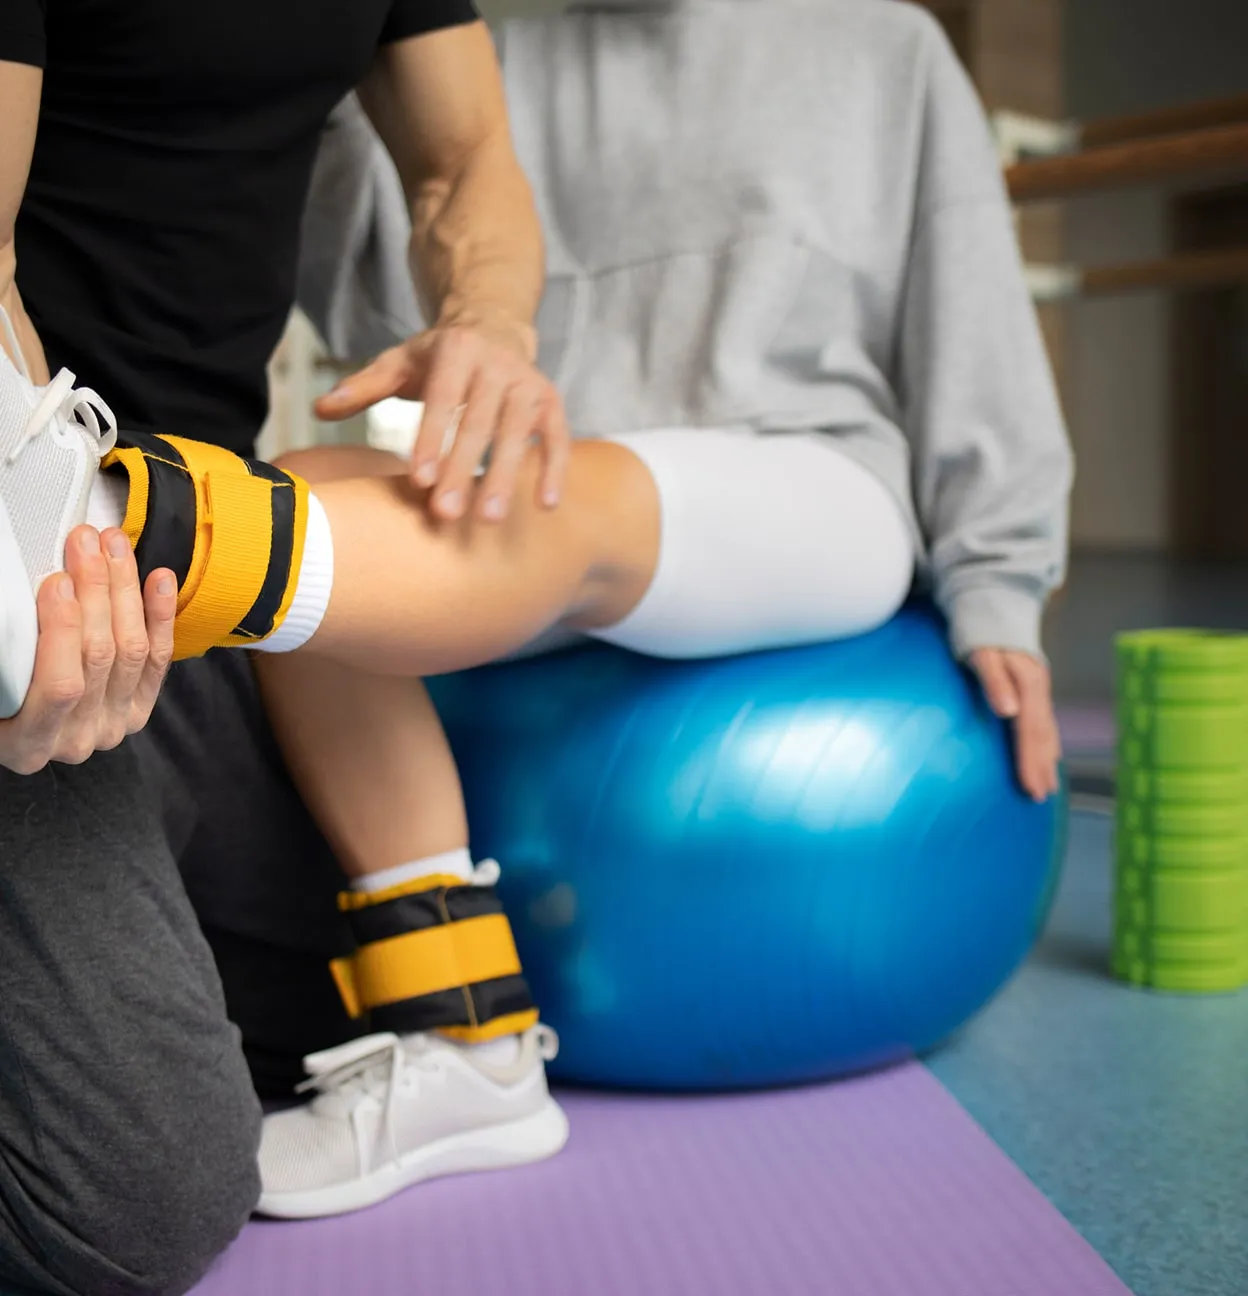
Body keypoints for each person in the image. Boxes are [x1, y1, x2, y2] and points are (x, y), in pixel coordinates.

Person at [1, 0, 1072, 1227]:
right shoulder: (485, 56)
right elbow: (370, 290)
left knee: (550, 511)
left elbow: (971, 313)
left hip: (796, 481)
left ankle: (126, 526)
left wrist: (1000, 577)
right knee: (312, 491)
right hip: (547, 494)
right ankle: (468, 1041)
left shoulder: (881, 45)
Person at [0, 4, 578, 1293]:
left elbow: (461, 158)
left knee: (333, 1026)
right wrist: (23, 587)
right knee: (138, 1202)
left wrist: (489, 321)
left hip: (189, 561)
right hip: (36, 541)